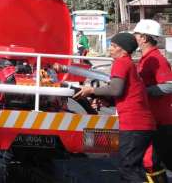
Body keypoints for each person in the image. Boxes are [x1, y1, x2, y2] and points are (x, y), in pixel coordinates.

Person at [55, 32, 156, 182]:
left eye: (114, 46)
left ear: (124, 50)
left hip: (134, 125)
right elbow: (128, 95)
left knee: (128, 168)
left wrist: (92, 90)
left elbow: (115, 90)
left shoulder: (121, 63)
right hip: (140, 125)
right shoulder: (128, 64)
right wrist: (108, 101)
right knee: (132, 167)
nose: (110, 49)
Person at [132, 19, 172, 182]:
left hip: (161, 120)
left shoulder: (156, 59)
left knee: (153, 161)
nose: (134, 38)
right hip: (152, 119)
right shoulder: (146, 58)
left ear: (144, 38)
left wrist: (141, 92)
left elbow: (169, 86)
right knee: (151, 161)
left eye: (136, 35)